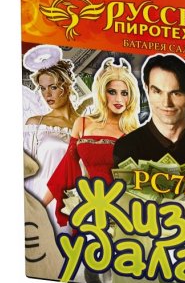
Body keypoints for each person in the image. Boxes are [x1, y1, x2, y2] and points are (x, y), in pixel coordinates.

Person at [43, 57, 140, 227]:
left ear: (131, 97)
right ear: (102, 93)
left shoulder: (133, 133)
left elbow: (141, 179)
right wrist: (40, 205)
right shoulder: (82, 123)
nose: (118, 99)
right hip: (89, 205)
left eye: (124, 93)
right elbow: (66, 167)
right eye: (112, 92)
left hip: (122, 209)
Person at [113, 54, 185, 177]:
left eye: (176, 93)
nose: (166, 103)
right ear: (147, 89)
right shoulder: (126, 148)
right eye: (157, 91)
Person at [23, 45, 79, 231]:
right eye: (42, 88)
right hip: (39, 198)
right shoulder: (36, 124)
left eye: (53, 87)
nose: (47, 94)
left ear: (66, 85)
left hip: (73, 202)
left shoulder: (87, 125)